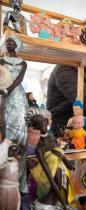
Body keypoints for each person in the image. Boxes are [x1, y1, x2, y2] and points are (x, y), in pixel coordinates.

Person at [0, 35, 28, 195]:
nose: (10, 43)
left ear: (17, 45)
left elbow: (19, 79)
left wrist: (7, 90)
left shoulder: (23, 63)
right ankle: (7, 181)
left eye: (13, 41)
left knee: (20, 135)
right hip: (4, 95)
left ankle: (21, 182)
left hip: (16, 95)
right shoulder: (1, 61)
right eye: (7, 41)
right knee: (7, 134)